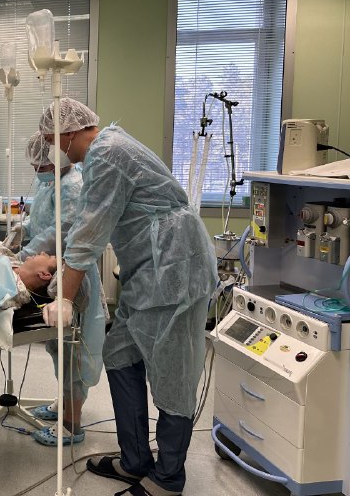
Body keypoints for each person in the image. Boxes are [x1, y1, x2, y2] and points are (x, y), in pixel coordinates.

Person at [39, 98, 217, 496]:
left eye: (52, 141)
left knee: (172, 375)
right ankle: (135, 460)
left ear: (67, 133)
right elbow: (83, 224)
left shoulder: (108, 154)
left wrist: (64, 298)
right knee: (118, 352)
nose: (53, 151)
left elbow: (90, 233)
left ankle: (168, 478)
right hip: (147, 273)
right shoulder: (106, 151)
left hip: (174, 273)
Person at [14, 132, 105, 446]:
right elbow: (40, 221)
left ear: (57, 159)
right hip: (53, 271)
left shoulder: (73, 186)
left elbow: (61, 231)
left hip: (72, 273)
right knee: (57, 346)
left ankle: (72, 424)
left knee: (73, 350)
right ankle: (63, 404)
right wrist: (21, 230)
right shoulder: (50, 184)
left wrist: (26, 255)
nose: (37, 171)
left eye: (41, 166)